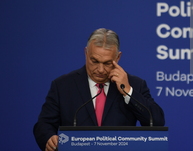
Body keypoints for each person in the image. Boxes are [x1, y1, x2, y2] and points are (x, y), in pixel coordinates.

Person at [33, 28, 165, 151]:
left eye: (107, 63)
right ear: (86, 53)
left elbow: (157, 123)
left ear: (118, 58)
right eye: (94, 61)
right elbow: (44, 124)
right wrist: (49, 138)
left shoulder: (135, 84)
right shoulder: (63, 85)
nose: (100, 70)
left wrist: (128, 92)